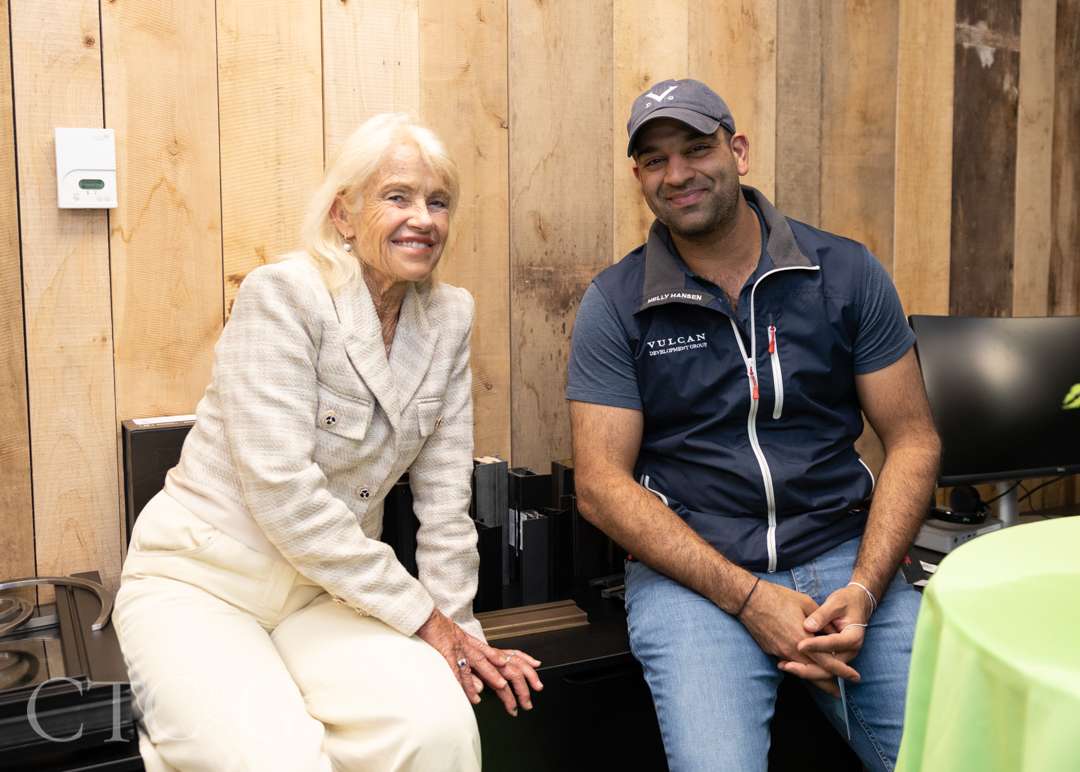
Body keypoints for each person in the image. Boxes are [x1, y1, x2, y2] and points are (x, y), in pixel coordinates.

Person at [113, 113, 541, 772]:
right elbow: (284, 494)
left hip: (324, 594)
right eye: (397, 197)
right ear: (344, 214)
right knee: (277, 760)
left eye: (438, 202)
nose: (423, 218)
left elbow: (444, 502)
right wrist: (425, 618)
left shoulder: (450, 315)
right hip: (204, 583)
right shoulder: (284, 295)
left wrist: (459, 636)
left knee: (439, 726)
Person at [567, 79, 941, 771]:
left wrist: (864, 588)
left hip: (845, 554)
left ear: (737, 152)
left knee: (948, 756)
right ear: (638, 177)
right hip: (694, 576)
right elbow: (599, 485)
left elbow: (914, 438)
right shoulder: (616, 303)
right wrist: (748, 598)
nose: (677, 173)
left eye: (696, 148)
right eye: (655, 160)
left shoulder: (846, 272)